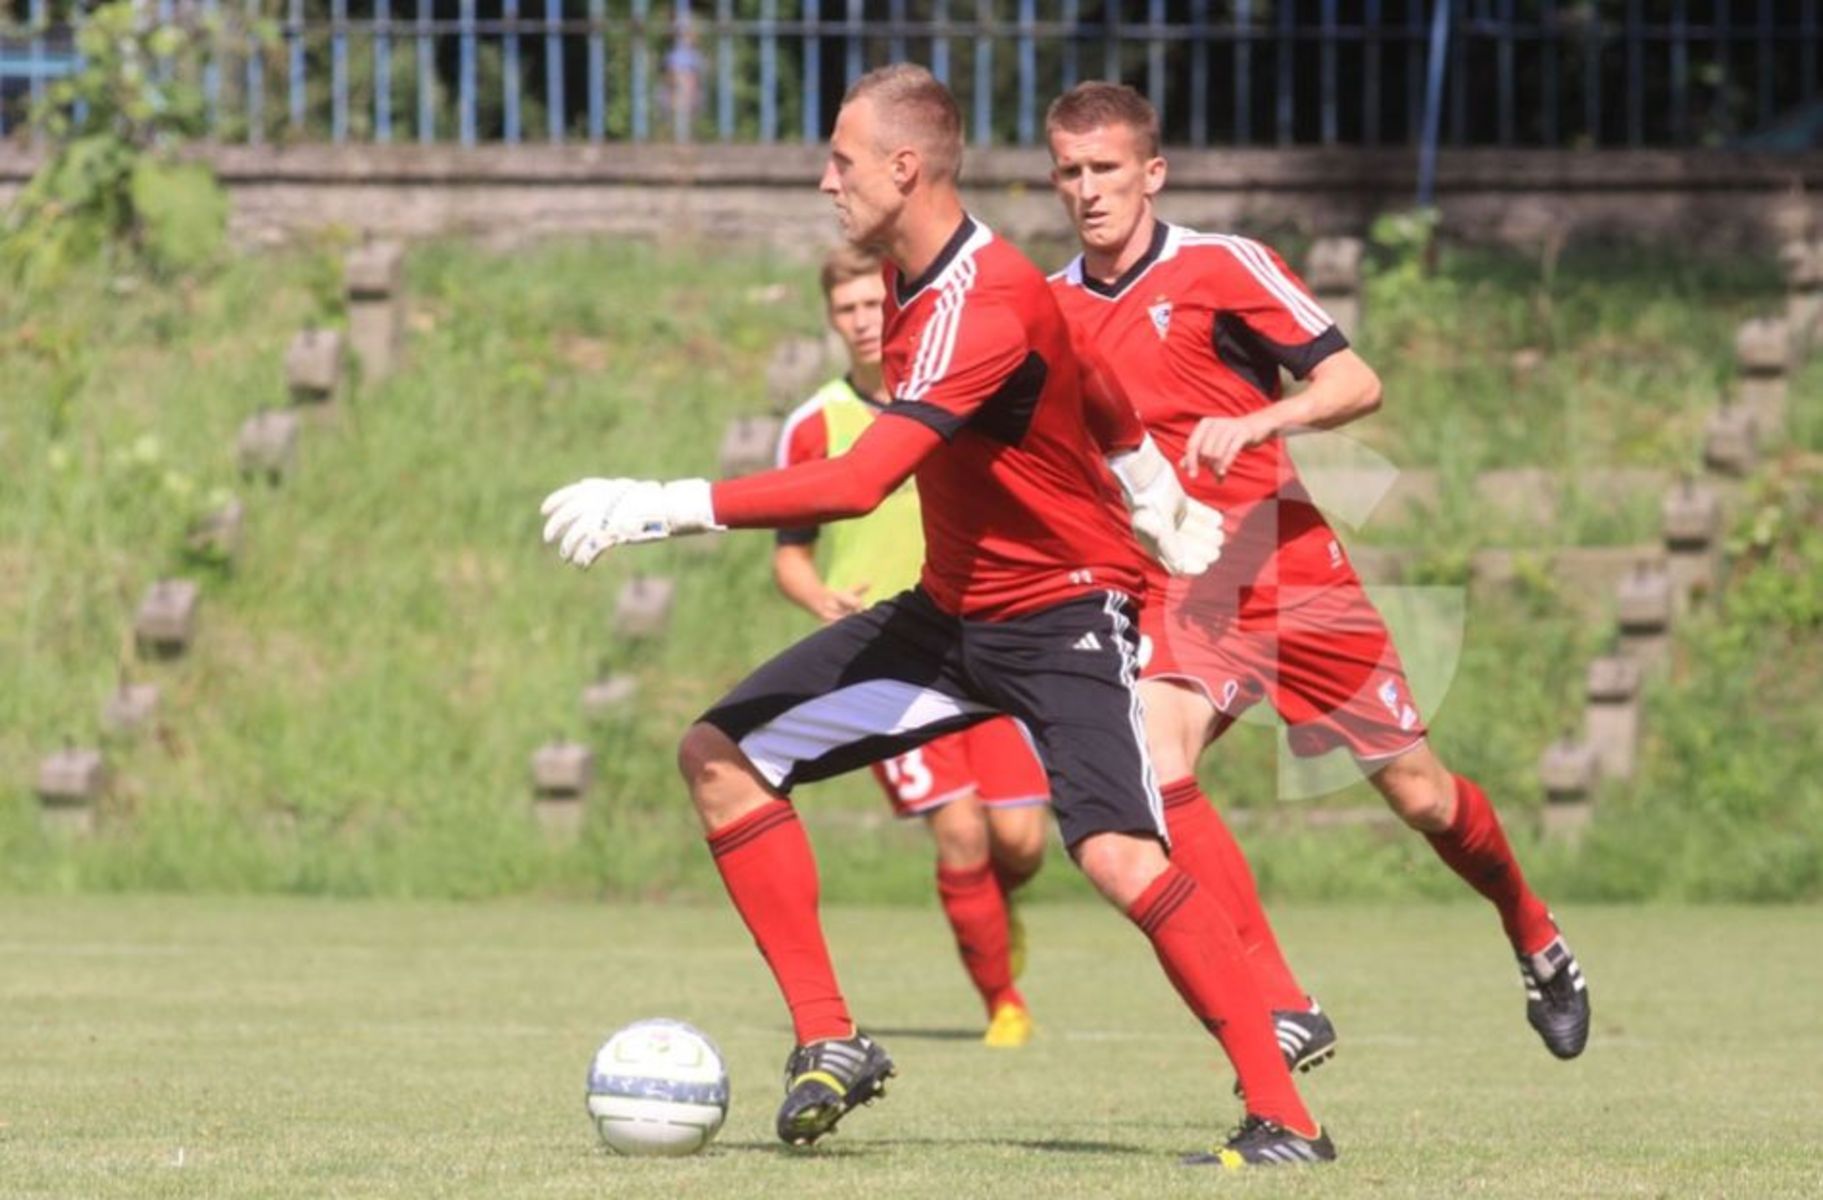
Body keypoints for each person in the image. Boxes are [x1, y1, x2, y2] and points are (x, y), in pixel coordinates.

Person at [541, 64, 1331, 1168]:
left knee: (1115, 856)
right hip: (949, 618)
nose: (825, 181)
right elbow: (1090, 369)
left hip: (1065, 618)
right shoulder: (938, 285)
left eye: (840, 160)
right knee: (719, 757)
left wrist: (661, 504)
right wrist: (1149, 481)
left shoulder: (981, 299)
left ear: (903, 168)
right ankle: (832, 1040)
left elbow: (856, 485)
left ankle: (1284, 1120)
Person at [1043, 81, 1591, 1070]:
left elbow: (1354, 382)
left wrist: (1261, 420)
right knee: (1157, 769)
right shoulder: (1051, 309)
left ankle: (1532, 931)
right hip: (1179, 580)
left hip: (1288, 566)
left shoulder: (1220, 266)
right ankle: (1283, 1003)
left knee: (1422, 799)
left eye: (1106, 169)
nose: (1087, 190)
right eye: (1069, 172)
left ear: (1150, 173)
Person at [770, 243, 1052, 1049]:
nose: (861, 322)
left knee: (1021, 842)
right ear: (831, 320)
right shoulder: (816, 421)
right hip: (888, 657)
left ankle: (999, 910)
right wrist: (817, 594)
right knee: (959, 829)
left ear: (894, 307)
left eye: (871, 305)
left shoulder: (954, 390)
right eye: (846, 310)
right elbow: (790, 551)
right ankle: (1003, 1002)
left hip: (987, 635)